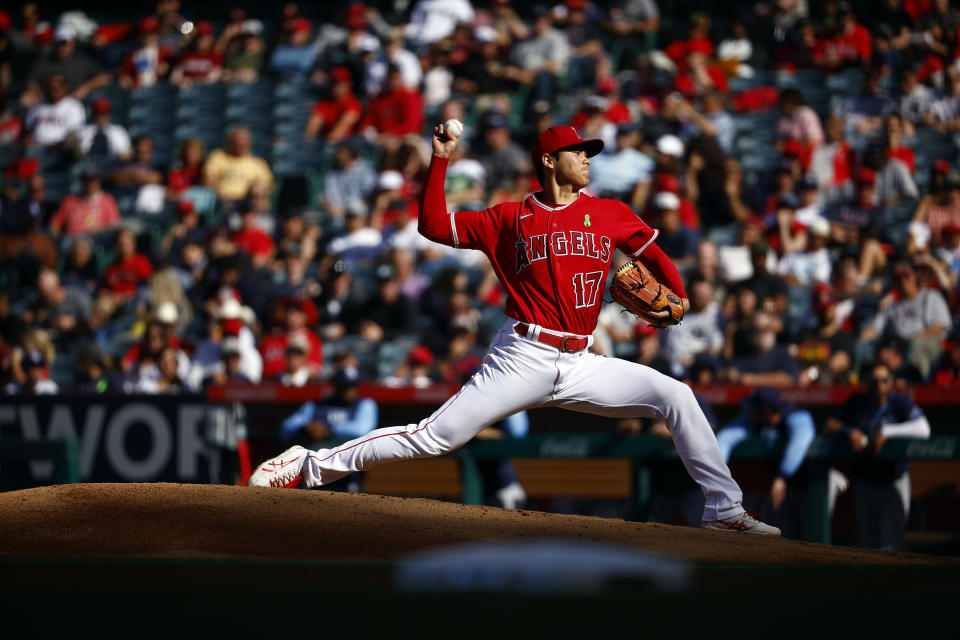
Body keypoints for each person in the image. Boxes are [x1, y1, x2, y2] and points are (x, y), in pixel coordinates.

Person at [248, 122, 781, 536]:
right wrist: (439, 161)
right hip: (521, 355)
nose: (587, 160)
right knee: (435, 438)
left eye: (590, 153)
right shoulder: (508, 217)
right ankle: (309, 465)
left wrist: (678, 290)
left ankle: (723, 508)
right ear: (550, 161)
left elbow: (653, 253)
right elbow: (433, 225)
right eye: (578, 152)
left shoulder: (610, 213)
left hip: (580, 361)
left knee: (676, 396)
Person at [824, 361, 931, 550]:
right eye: (874, 380)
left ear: (890, 382)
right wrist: (849, 431)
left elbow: (924, 429)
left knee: (890, 547)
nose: (879, 385)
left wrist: (888, 431)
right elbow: (830, 424)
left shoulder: (898, 401)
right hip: (865, 483)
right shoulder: (857, 401)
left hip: (893, 482)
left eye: (884, 380)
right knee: (868, 546)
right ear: (867, 382)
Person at [715, 387, 816, 539]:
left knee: (813, 536)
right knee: (787, 537)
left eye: (753, 410)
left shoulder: (797, 415)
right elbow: (726, 437)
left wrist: (782, 476)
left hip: (814, 485)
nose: (749, 412)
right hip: (784, 487)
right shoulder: (755, 420)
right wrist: (717, 478)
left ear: (767, 412)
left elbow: (802, 440)